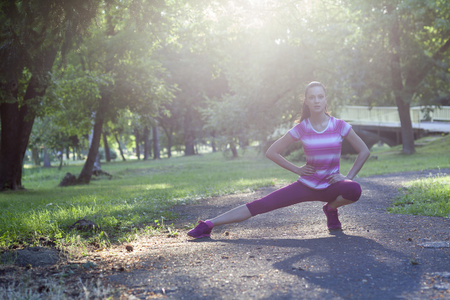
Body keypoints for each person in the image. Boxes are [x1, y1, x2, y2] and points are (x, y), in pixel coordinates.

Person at [187, 81, 370, 239]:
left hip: (331, 185)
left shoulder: (339, 125)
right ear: (306, 101)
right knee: (261, 205)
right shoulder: (302, 128)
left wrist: (347, 176)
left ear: (325, 99)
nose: (316, 100)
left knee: (353, 189)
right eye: (312, 97)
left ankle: (331, 209)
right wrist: (297, 170)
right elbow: (272, 152)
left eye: (320, 96)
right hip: (306, 186)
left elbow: (364, 151)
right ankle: (208, 225)